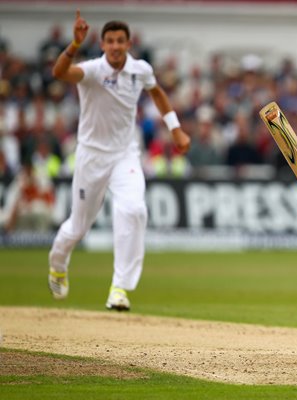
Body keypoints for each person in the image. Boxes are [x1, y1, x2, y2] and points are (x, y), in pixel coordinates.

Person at [47, 10, 190, 311]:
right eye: (109, 41)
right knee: (78, 227)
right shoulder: (92, 70)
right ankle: (58, 264)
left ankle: (119, 289)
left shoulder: (140, 69)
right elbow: (60, 73)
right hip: (91, 156)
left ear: (128, 44)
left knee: (134, 209)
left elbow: (158, 94)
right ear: (102, 44)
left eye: (120, 41)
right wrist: (73, 45)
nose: (114, 46)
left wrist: (175, 129)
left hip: (125, 154)